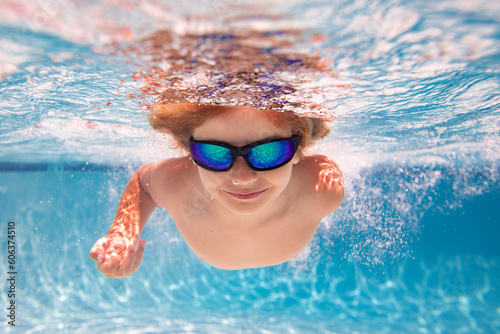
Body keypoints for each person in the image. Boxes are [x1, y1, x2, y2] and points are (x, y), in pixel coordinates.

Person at [89, 103, 344, 277]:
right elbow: (143, 184)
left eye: (268, 152)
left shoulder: (322, 189)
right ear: (190, 153)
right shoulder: (179, 186)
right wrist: (123, 234)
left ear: (299, 149)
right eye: (215, 154)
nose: (242, 178)